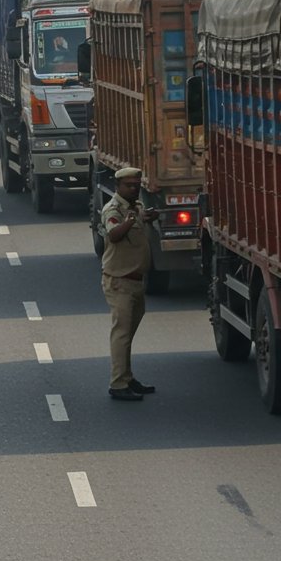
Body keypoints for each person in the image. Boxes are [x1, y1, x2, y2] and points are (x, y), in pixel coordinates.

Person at [100, 167, 159, 401]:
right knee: (121, 335)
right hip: (119, 282)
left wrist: (145, 216)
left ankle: (127, 376)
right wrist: (130, 221)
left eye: (136, 185)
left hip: (135, 282)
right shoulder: (112, 210)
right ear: (118, 187)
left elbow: (139, 221)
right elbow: (114, 234)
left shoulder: (136, 207)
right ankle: (117, 384)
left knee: (128, 335)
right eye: (129, 186)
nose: (134, 189)